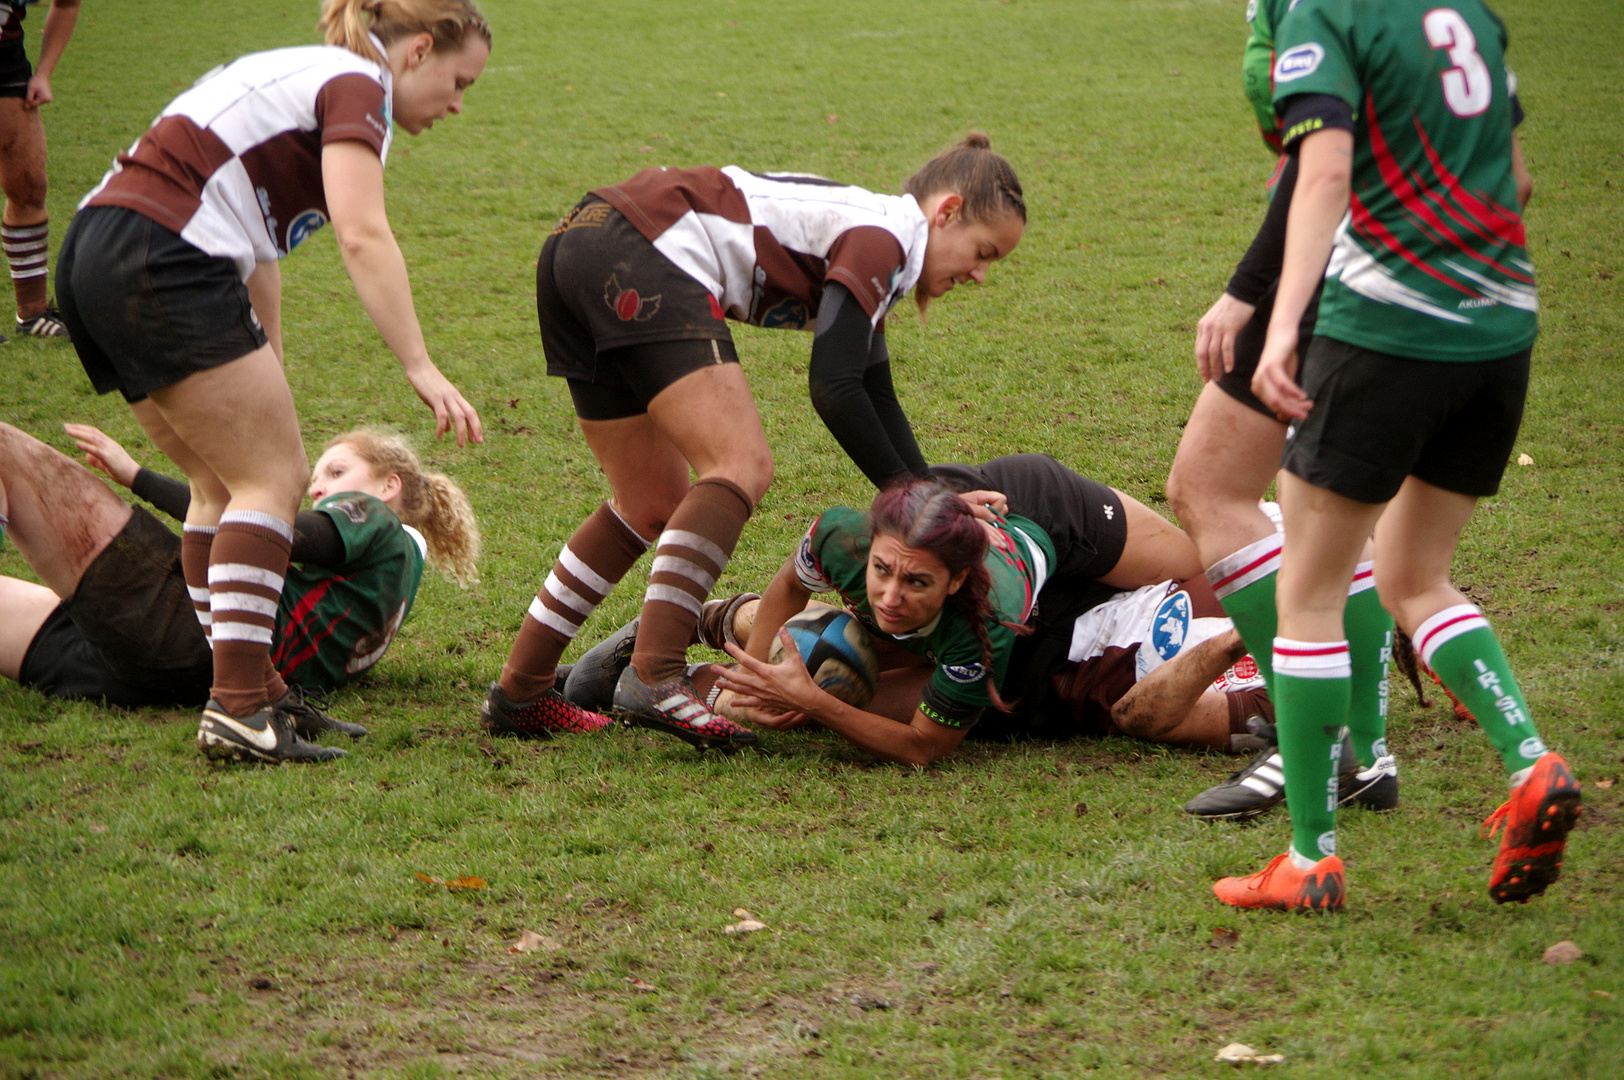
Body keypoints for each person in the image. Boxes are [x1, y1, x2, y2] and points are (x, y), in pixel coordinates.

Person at [485, 135, 1029, 748]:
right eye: (983, 252)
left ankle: (522, 690)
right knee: (741, 464)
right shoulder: (887, 237)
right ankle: (657, 675)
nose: (980, 275)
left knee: (648, 502)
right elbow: (835, 387)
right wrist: (925, 501)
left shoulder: (880, 241)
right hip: (641, 246)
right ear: (947, 210)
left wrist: (935, 502)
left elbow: (874, 390)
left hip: (580, 241)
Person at [1214, 0, 1578, 912]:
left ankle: (1309, 859)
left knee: (1309, 590)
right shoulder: (1472, 15)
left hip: (1386, 331)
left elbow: (1323, 169)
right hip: (1500, 331)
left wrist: (1286, 320)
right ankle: (1531, 762)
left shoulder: (1326, 13)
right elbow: (1520, 180)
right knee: (1418, 576)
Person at [54, 0, 489, 761]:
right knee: (271, 482)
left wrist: (268, 371)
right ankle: (239, 704)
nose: (457, 105)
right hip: (166, 254)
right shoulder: (361, 86)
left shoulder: (306, 75)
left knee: (218, 483)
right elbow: (362, 232)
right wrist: (420, 364)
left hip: (98, 249)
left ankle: (253, 686)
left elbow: (260, 255)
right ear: (418, 50)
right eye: (460, 83)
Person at [554, 455, 1198, 761]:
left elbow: (924, 749)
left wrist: (814, 701)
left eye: (915, 582)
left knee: (1200, 572)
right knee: (823, 673)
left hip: (1058, 516)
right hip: (964, 560)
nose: (888, 596)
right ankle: (708, 628)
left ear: (952, 584)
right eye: (881, 572)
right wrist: (756, 673)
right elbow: (790, 590)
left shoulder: (984, 622)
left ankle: (692, 676)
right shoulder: (843, 537)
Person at [1164, 0, 1399, 822]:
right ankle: (1363, 751)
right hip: (1395, 254)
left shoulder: (1314, 9)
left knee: (1211, 488)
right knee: (1327, 510)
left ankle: (1320, 740)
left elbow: (1321, 162)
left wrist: (1247, 293)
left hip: (1329, 253)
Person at [0, 421, 479, 760]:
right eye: (316, 478)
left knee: (6, 447)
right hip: (172, 677)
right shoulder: (398, 578)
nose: (316, 489)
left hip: (186, 625)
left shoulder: (376, 522)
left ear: (387, 486)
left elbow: (265, 526)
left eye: (336, 472)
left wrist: (135, 476)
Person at [0, 0, 78, 338]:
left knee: (29, 183)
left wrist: (44, 73)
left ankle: (31, 314)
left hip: (5, 55)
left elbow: (67, 2)